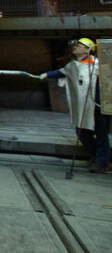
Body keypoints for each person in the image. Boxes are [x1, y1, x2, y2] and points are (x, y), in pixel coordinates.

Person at [41, 38, 111, 172]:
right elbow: (62, 72)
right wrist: (47, 75)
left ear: (87, 49)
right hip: (83, 106)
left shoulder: (97, 64)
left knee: (101, 134)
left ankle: (102, 162)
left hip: (97, 105)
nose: (75, 48)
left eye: (79, 46)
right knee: (82, 132)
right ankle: (97, 156)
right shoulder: (74, 65)